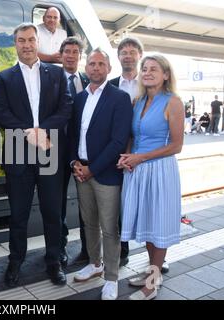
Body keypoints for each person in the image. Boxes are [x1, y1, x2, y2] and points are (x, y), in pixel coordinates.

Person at [0, 23, 72, 287]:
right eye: (20, 40)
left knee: (52, 211)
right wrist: (28, 132)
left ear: (37, 42)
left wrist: (44, 130)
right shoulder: (4, 78)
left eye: (30, 39)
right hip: (18, 151)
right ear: (15, 44)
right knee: (19, 213)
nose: (26, 45)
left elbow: (66, 107)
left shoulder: (57, 74)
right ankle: (15, 261)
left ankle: (54, 260)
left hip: (50, 149)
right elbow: (1, 112)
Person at [118, 54, 184, 300]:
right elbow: (134, 137)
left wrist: (140, 158)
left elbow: (177, 145)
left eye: (153, 69)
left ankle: (153, 281)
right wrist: (127, 155)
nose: (147, 72)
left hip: (160, 170)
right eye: (144, 68)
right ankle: (152, 273)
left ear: (166, 75)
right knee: (145, 223)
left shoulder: (173, 102)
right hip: (138, 169)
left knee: (158, 225)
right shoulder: (138, 101)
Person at [69, 49, 133, 300]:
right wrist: (74, 161)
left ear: (109, 68)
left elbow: (119, 141)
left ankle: (112, 278)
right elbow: (73, 134)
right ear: (86, 68)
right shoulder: (79, 99)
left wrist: (92, 169)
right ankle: (95, 264)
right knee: (89, 223)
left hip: (105, 174)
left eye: (101, 64)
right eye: (92, 64)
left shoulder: (119, 98)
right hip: (81, 170)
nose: (95, 68)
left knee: (109, 228)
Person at [109, 36, 143, 267]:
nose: (128, 55)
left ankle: (156, 254)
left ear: (139, 55)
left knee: (146, 202)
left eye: (132, 51)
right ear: (119, 57)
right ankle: (122, 249)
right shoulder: (110, 84)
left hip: (144, 151)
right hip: (116, 152)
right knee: (118, 202)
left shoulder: (150, 82)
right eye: (124, 52)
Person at [59, 36, 90, 266]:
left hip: (83, 151)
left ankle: (88, 247)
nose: (71, 56)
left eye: (75, 52)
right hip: (58, 152)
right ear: (61, 56)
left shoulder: (89, 80)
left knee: (86, 202)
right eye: (67, 51)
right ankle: (60, 248)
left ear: (80, 57)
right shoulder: (50, 79)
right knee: (57, 202)